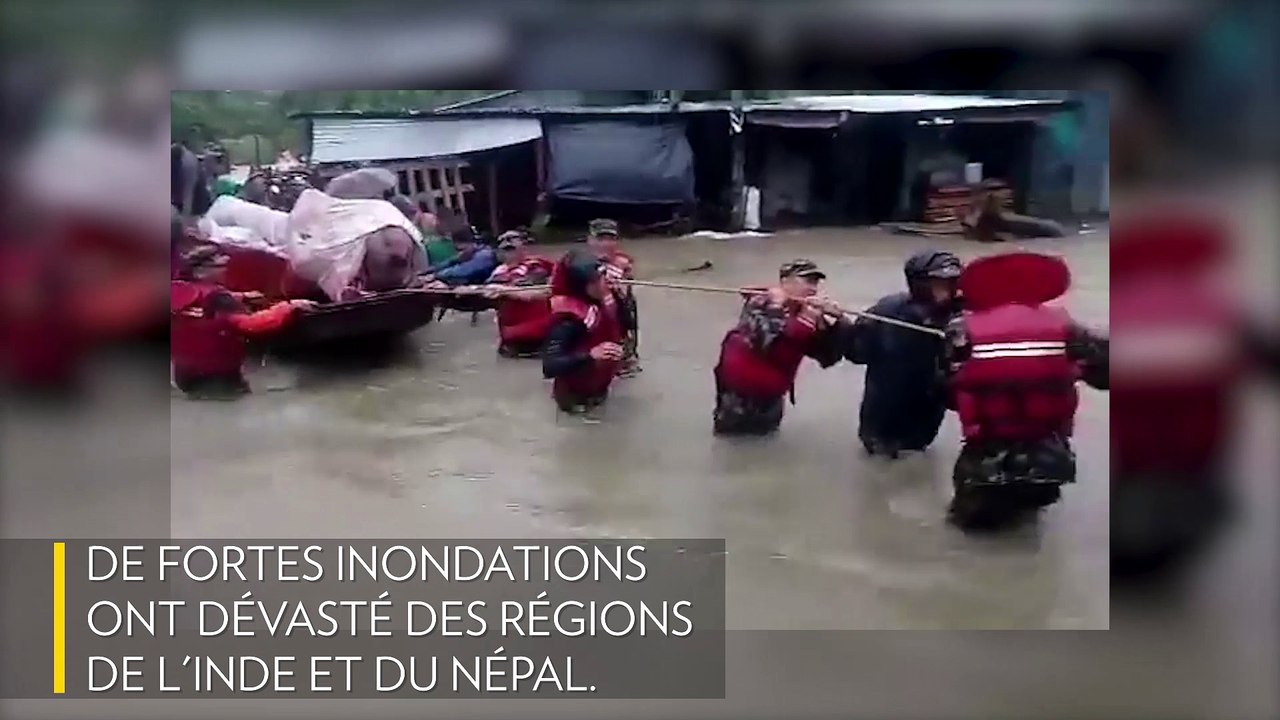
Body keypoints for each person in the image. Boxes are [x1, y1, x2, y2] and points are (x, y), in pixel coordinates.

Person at [943, 251, 1109, 531]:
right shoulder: (1067, 327)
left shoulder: (960, 329)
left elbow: (947, 392)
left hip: (985, 459)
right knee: (1029, 526)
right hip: (1049, 458)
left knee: (970, 535)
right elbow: (1104, 378)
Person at [842, 250, 964, 458]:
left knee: (918, 461)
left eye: (952, 282)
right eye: (939, 283)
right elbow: (856, 353)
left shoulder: (959, 317)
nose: (946, 290)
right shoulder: (888, 311)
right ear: (920, 284)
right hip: (882, 418)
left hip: (927, 417)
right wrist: (841, 326)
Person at [712, 260, 846, 435]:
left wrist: (837, 322)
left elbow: (828, 357)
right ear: (785, 282)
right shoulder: (759, 303)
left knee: (766, 446)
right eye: (806, 280)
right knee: (733, 447)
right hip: (738, 398)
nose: (812, 288)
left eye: (815, 282)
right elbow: (767, 342)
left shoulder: (807, 314)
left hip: (772, 399)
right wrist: (778, 306)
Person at [170, 246, 313, 398]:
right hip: (220, 376)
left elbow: (202, 303)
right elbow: (252, 325)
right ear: (201, 272)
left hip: (185, 375)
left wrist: (240, 297)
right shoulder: (219, 299)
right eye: (221, 266)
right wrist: (289, 307)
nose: (225, 269)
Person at [541, 250, 627, 413]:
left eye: (601, 277)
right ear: (581, 286)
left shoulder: (605, 299)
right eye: (594, 282)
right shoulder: (568, 320)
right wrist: (590, 356)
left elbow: (624, 325)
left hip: (601, 390)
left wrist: (621, 295)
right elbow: (550, 366)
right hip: (575, 400)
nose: (602, 284)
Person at [481, 230, 556, 358]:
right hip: (514, 337)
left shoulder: (537, 266)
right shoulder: (497, 274)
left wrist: (505, 290)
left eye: (512, 248)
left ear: (524, 247)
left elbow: (541, 292)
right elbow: (485, 294)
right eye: (506, 250)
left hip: (541, 332)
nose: (510, 253)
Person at [585, 219, 642, 376]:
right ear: (590, 240)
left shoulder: (622, 263)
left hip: (614, 308)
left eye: (610, 239)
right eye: (601, 239)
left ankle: (626, 352)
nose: (606, 244)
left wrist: (617, 281)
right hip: (585, 309)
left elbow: (625, 283)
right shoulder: (578, 262)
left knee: (624, 303)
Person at [421, 225, 497, 287]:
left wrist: (435, 275)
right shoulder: (469, 253)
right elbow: (450, 262)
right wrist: (426, 272)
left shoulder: (485, 255)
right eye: (458, 250)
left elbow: (464, 270)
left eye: (462, 249)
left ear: (472, 243)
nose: (460, 253)